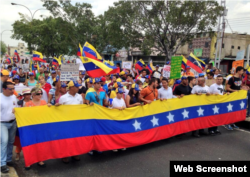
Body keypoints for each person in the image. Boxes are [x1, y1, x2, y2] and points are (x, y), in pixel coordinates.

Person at [56, 80, 83, 163]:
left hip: (76, 122)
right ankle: (65, 155)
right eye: (77, 86)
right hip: (66, 122)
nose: (78, 88)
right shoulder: (63, 98)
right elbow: (59, 110)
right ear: (71, 87)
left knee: (76, 138)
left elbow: (82, 108)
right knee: (66, 139)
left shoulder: (79, 96)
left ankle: (75, 153)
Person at [24, 87, 47, 169]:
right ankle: (29, 161)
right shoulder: (27, 104)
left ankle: (40, 159)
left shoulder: (44, 102)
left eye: (41, 94)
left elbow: (47, 114)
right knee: (30, 144)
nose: (40, 95)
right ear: (33, 94)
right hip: (30, 127)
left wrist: (51, 107)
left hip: (41, 127)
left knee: (40, 144)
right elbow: (24, 115)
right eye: (38, 94)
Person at [0, 82, 17, 173]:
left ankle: (8, 159)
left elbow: (16, 108)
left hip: (13, 122)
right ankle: (2, 163)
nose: (12, 90)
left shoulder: (14, 97)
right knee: (4, 142)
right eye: (10, 89)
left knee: (11, 142)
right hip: (2, 123)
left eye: (13, 88)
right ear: (4, 89)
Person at [225, 66, 246, 130]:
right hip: (232, 97)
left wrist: (243, 89)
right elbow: (227, 88)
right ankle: (227, 123)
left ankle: (232, 123)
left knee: (235, 111)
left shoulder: (240, 78)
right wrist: (234, 91)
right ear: (238, 71)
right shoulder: (232, 78)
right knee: (230, 111)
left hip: (237, 98)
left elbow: (238, 87)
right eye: (242, 71)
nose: (243, 72)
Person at [15, 88, 32, 161]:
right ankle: (18, 153)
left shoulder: (32, 102)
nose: (28, 96)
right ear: (24, 95)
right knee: (20, 139)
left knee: (29, 140)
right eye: (26, 94)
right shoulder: (19, 103)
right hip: (21, 123)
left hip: (30, 123)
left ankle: (28, 155)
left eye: (29, 94)